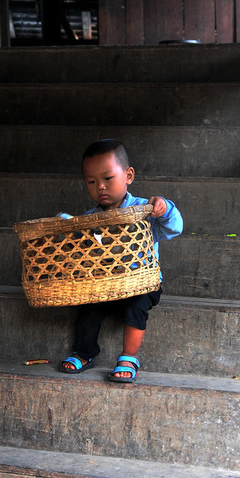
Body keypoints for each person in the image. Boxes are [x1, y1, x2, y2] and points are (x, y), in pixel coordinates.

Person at [59, 138, 183, 383]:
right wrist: (67, 226)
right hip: (104, 286)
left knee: (136, 307)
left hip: (141, 285)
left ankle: (129, 356)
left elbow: (174, 228)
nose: (100, 187)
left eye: (108, 178)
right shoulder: (90, 219)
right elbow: (77, 245)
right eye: (92, 182)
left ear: (128, 175)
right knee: (88, 308)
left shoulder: (143, 212)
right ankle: (84, 353)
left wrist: (164, 207)